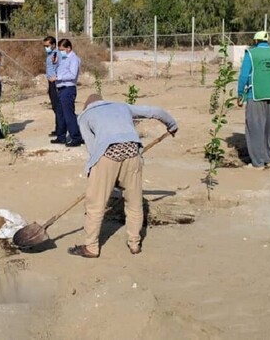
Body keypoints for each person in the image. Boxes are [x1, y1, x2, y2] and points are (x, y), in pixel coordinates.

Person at [67, 94, 178, 258]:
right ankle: (134, 244)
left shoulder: (84, 116)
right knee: (134, 202)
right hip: (132, 152)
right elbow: (154, 111)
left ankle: (91, 247)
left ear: (87, 106)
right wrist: (172, 124)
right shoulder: (122, 106)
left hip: (106, 154)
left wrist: (96, 175)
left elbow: (92, 148)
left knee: (95, 205)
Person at [237, 31, 270, 169]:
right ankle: (269, 159)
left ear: (256, 41)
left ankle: (257, 163)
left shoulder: (251, 53)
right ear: (267, 41)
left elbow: (244, 75)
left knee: (255, 129)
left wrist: (240, 94)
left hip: (255, 96)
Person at [51, 38, 83, 147]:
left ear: (69, 48)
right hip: (61, 89)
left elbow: (72, 75)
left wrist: (58, 77)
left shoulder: (74, 59)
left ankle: (76, 137)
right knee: (60, 114)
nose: (60, 52)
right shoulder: (64, 58)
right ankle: (61, 136)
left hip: (68, 89)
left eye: (62, 50)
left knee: (68, 114)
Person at [43, 36, 61, 137]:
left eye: (47, 46)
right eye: (44, 46)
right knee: (55, 107)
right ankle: (58, 127)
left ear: (53, 45)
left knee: (57, 107)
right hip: (51, 83)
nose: (46, 47)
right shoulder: (49, 55)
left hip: (56, 83)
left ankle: (60, 129)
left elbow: (61, 67)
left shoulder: (56, 54)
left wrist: (57, 78)